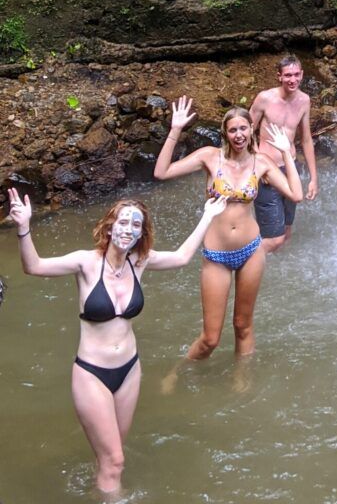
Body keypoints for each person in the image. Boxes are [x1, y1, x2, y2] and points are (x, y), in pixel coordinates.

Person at [8, 186, 227, 494]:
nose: (128, 229)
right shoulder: (86, 262)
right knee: (115, 461)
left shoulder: (139, 262)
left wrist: (208, 215)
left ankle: (100, 493)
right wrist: (24, 228)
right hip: (91, 373)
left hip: (129, 371)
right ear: (110, 227)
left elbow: (181, 257)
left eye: (136, 225)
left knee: (112, 458)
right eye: (123, 222)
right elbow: (34, 267)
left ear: (141, 233)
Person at [154, 97, 302, 358]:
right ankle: (179, 373)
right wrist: (175, 130)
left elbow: (295, 194)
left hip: (251, 252)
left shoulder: (262, 163)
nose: (239, 135)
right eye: (233, 130)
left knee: (243, 326)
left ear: (251, 130)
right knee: (210, 338)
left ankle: (241, 381)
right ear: (225, 133)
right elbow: (162, 172)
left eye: (243, 128)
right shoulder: (209, 157)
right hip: (216, 256)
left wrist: (287, 153)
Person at [249, 55, 318, 252]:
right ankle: (244, 261)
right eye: (288, 75)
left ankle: (264, 266)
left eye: (296, 75)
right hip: (267, 171)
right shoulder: (265, 98)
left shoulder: (304, 100)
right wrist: (257, 161)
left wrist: (314, 178)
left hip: (290, 167)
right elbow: (246, 132)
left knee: (286, 230)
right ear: (279, 76)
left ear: (302, 75)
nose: (292, 80)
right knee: (274, 237)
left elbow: (306, 139)